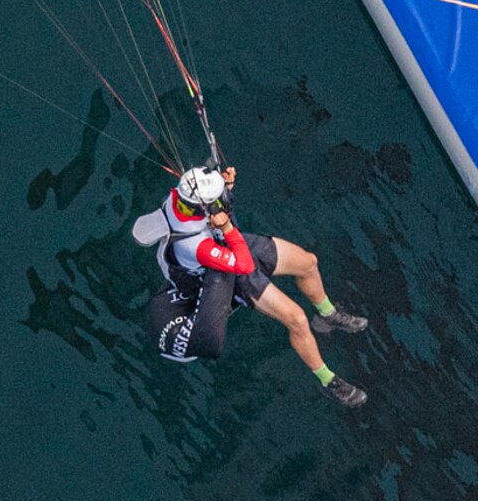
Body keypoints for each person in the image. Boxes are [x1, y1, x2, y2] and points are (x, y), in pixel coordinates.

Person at [146, 164, 368, 403]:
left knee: (308, 263)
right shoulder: (196, 245)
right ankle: (328, 380)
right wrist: (228, 227)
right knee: (297, 319)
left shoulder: (180, 198)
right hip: (225, 268)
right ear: (205, 208)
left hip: (225, 240)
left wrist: (226, 187)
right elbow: (244, 266)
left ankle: (328, 315)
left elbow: (209, 202)